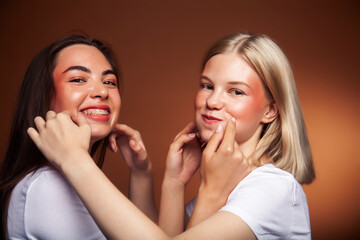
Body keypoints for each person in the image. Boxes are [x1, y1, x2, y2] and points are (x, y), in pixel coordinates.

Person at [26, 33, 315, 239]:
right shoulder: (231, 184)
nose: (212, 101)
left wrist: (209, 192)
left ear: (270, 111)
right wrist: (173, 183)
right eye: (206, 86)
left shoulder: (273, 189)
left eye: (235, 91)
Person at [0, 35, 157, 239]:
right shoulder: (47, 186)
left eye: (109, 82)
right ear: (44, 96)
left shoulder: (70, 181)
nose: (101, 91)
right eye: (77, 79)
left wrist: (141, 173)